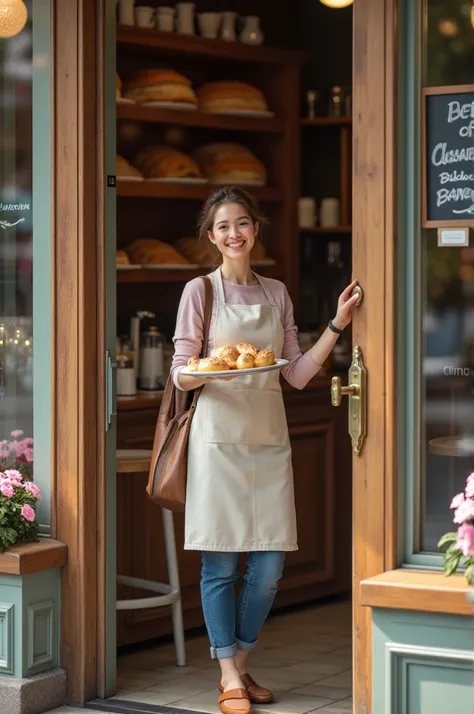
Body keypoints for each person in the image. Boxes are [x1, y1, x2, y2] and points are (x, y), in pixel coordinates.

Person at [171, 186, 359, 714]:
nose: (234, 234)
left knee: (270, 566)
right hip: (217, 441)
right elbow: (181, 373)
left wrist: (337, 325)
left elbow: (296, 374)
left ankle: (242, 661)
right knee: (222, 566)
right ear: (212, 237)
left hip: (269, 440)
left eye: (242, 224)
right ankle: (229, 673)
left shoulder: (276, 292)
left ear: (255, 229)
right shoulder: (199, 293)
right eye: (223, 227)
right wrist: (207, 368)